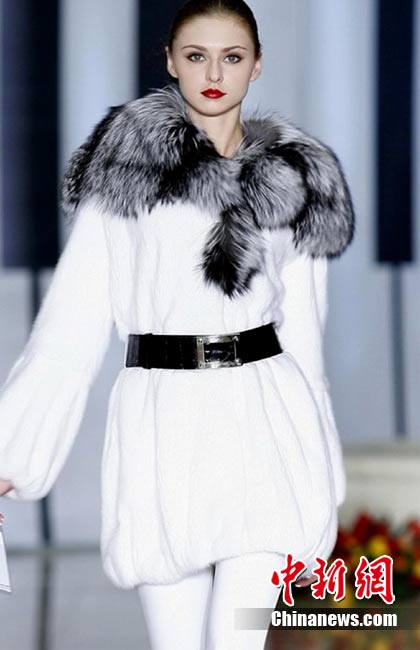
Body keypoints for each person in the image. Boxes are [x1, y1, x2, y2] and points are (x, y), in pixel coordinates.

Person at [0, 0, 355, 647]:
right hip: (160, 426)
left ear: (256, 66)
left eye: (232, 57)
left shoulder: (297, 176)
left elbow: (304, 331)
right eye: (197, 56)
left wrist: (322, 463)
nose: (214, 74)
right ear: (170, 61)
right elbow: (72, 324)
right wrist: (13, 452)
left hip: (266, 420)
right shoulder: (124, 171)